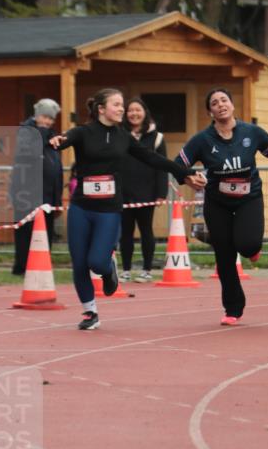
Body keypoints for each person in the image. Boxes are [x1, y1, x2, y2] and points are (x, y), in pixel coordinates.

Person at [51, 88, 204, 330]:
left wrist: (184, 174)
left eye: (123, 104)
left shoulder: (124, 138)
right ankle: (90, 312)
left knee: (97, 262)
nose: (122, 109)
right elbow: (65, 139)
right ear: (101, 109)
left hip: (109, 210)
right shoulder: (83, 132)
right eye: (116, 104)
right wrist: (58, 141)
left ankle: (109, 268)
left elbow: (152, 158)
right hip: (81, 207)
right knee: (80, 263)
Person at [176, 88, 268, 326]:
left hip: (249, 198)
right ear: (211, 111)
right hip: (217, 203)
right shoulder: (202, 140)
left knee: (247, 245)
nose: (220, 105)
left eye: (224, 100)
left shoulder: (252, 132)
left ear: (232, 105)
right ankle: (233, 309)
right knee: (225, 256)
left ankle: (252, 249)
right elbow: (179, 164)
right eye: (215, 103)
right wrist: (187, 177)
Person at [8, 98, 63, 276]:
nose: (47, 122)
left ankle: (41, 264)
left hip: (48, 195)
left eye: (51, 119)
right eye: (45, 117)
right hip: (27, 193)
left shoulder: (51, 136)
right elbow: (29, 154)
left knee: (45, 232)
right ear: (37, 115)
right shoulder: (27, 132)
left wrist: (57, 198)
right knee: (25, 232)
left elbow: (55, 166)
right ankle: (22, 267)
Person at [119, 97, 166, 283]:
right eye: (130, 110)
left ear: (145, 112)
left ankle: (147, 270)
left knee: (146, 231)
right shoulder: (119, 134)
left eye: (138, 110)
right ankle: (126, 270)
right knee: (126, 233)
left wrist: (161, 193)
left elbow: (162, 166)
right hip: (123, 192)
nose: (134, 114)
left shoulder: (157, 137)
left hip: (147, 192)